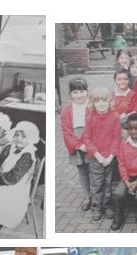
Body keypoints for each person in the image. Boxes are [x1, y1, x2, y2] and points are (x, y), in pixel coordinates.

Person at [83, 87, 121, 222]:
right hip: (95, 158)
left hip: (109, 158)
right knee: (97, 184)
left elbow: (116, 138)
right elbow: (86, 139)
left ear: (109, 102)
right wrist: (98, 155)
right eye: (98, 101)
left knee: (108, 183)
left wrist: (111, 156)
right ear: (93, 103)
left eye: (104, 101)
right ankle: (96, 207)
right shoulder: (90, 117)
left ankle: (107, 205)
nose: (101, 104)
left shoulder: (114, 117)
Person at [60, 78, 92, 211]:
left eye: (82, 91)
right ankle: (88, 196)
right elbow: (66, 131)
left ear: (87, 91)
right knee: (83, 171)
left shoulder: (92, 106)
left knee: (94, 170)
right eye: (75, 92)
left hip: (91, 142)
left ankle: (98, 196)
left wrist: (88, 144)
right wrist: (78, 145)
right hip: (76, 143)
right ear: (70, 94)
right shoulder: (67, 110)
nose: (79, 95)